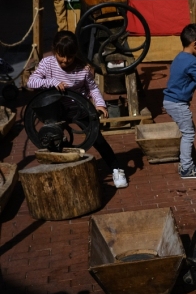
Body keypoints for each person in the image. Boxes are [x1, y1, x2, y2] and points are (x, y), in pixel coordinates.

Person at [27, 30, 128, 188]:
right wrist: (52, 82)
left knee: (97, 138)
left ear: (75, 54)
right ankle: (60, 178)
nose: (65, 60)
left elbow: (93, 88)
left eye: (70, 57)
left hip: (78, 108)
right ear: (55, 51)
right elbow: (31, 82)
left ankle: (116, 169)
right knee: (54, 142)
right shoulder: (47, 63)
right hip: (55, 110)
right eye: (61, 56)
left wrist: (100, 103)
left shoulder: (82, 69)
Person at [163, 24, 196, 179]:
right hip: (177, 103)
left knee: (189, 130)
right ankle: (186, 168)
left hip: (170, 101)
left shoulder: (179, 57)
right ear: (195, 44)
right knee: (189, 133)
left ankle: (186, 162)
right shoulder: (192, 62)